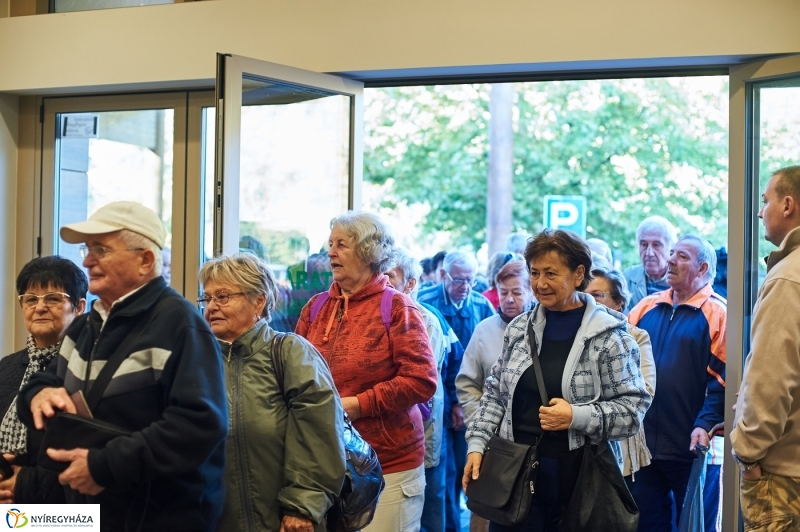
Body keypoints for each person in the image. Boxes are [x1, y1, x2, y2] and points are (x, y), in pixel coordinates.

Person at [19, 201, 228, 531]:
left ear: (145, 261)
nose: (87, 260)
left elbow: (199, 424)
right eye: (88, 249)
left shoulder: (180, 323)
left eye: (100, 249)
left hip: (161, 518)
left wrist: (104, 467)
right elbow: (50, 379)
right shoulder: (85, 325)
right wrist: (38, 393)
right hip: (90, 517)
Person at [463, 229, 650, 531]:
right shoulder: (520, 329)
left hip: (578, 481)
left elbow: (631, 413)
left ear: (579, 274)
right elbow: (496, 394)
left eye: (551, 273)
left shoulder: (611, 337)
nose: (540, 283)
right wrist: (476, 444)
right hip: (513, 475)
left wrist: (576, 416)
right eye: (535, 273)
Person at [296, 212, 437, 532]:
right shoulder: (315, 308)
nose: (330, 252)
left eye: (341, 245)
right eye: (330, 244)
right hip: (326, 463)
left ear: (368, 252)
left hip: (389, 465)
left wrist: (359, 404)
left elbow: (421, 380)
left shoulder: (399, 307)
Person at [200, 253, 345, 532]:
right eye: (207, 299)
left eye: (223, 296)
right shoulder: (199, 361)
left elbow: (320, 436)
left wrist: (302, 507)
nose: (212, 307)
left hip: (288, 523)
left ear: (258, 301)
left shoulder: (290, 353)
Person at [628, 234, 726, 532]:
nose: (670, 260)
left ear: (703, 268)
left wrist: (705, 422)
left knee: (695, 527)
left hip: (693, 448)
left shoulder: (718, 313)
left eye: (682, 256)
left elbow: (723, 378)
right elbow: (621, 364)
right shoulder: (645, 308)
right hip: (644, 447)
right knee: (647, 525)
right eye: (672, 253)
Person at [732, 165, 800, 529]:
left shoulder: (790, 277)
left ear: (787, 204)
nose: (760, 212)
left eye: (765, 201)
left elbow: (772, 380)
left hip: (785, 477)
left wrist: (746, 451)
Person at [417, 250, 495, 532]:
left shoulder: (481, 305)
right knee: (443, 474)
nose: (466, 287)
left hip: (473, 401)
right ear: (442, 276)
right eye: (459, 280)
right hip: (439, 402)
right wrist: (452, 404)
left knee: (470, 468)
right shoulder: (427, 304)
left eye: (471, 280)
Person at [0, 257, 87, 505]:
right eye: (30, 299)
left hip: (66, 513)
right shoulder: (7, 366)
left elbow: (92, 456)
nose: (39, 308)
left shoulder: (89, 368)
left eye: (52, 298)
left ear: (79, 307)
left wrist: (25, 485)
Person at [456, 259, 533, 532]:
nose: (509, 299)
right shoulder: (484, 330)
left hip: (530, 443)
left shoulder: (542, 328)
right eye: (504, 292)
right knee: (486, 509)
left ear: (530, 291)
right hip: (491, 442)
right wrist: (480, 423)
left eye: (517, 292)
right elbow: (467, 382)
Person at [385, 248, 448, 532]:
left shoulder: (426, 320)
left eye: (390, 275)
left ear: (410, 283)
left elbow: (418, 384)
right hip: (388, 436)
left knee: (428, 508)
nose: (382, 282)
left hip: (421, 429)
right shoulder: (378, 315)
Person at [584, 267, 656, 485]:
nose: (589, 301)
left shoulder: (636, 337)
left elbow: (645, 391)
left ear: (619, 303)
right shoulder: (575, 337)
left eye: (597, 295)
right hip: (578, 449)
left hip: (620, 449)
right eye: (584, 295)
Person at [624, 216, 678, 310]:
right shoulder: (628, 278)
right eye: (644, 245)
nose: (649, 253)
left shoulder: (682, 281)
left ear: (671, 248)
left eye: (656, 245)